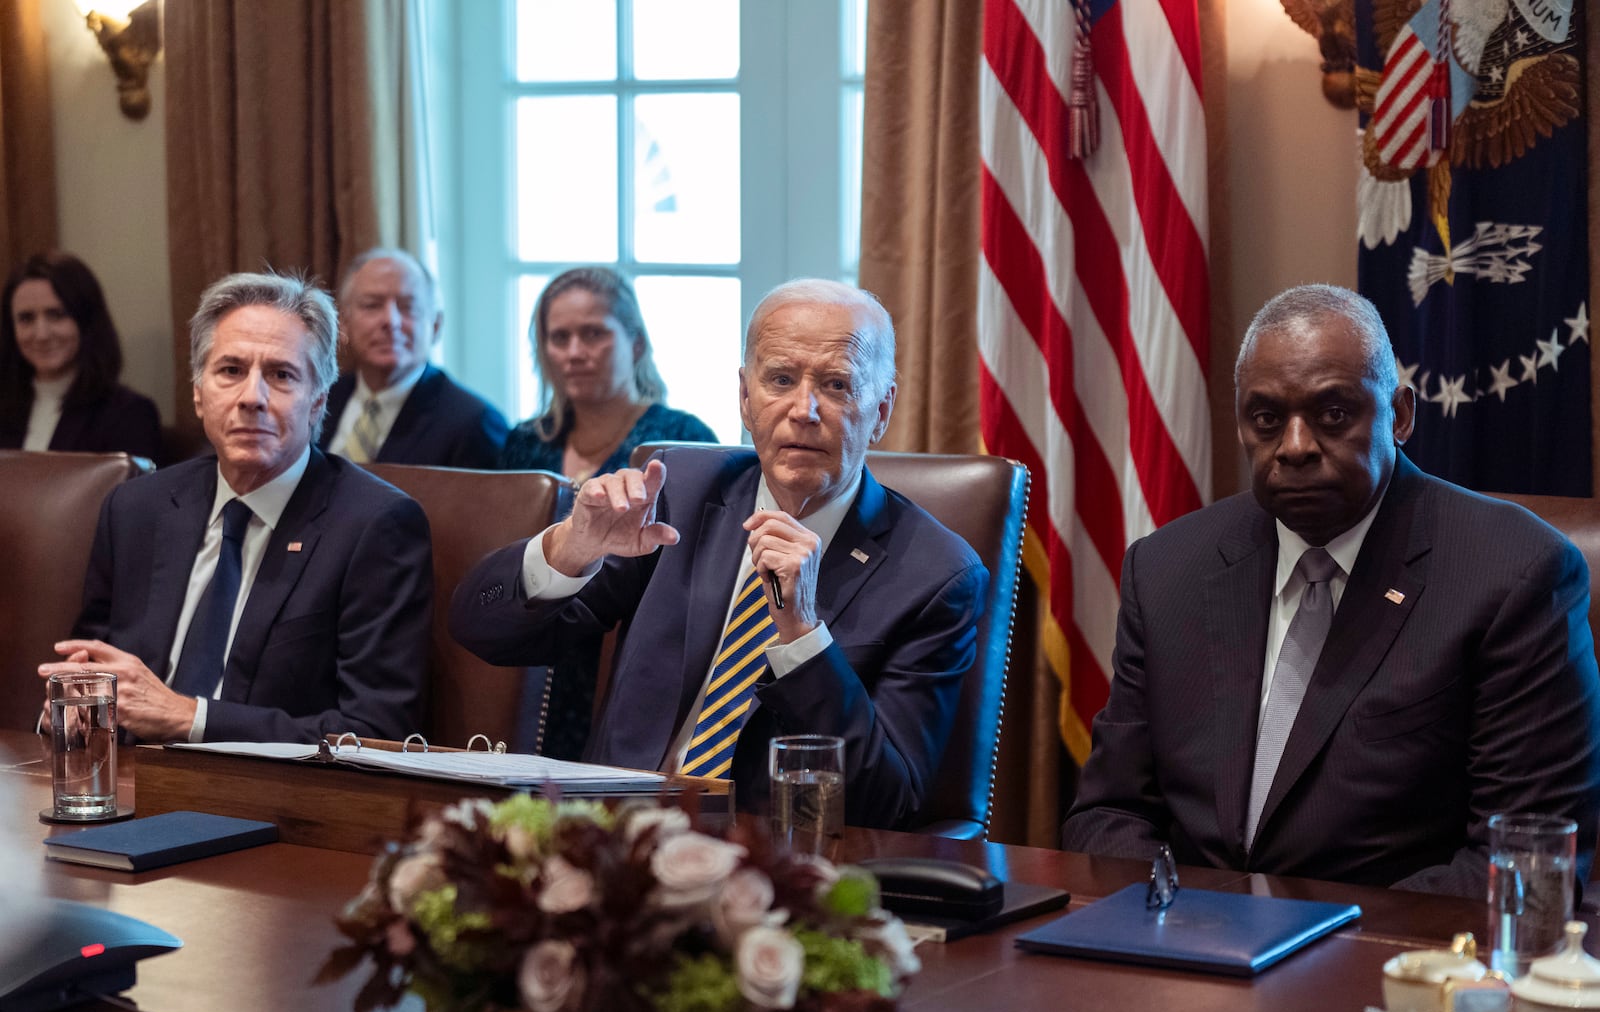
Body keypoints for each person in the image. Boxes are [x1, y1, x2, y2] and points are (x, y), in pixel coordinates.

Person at [1061, 284, 1600, 898]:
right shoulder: (1165, 570)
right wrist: (1177, 922)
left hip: (1388, 967)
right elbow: (1109, 814)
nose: (1294, 447)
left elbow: (1521, 865)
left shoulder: (1513, 574)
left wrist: (1307, 948)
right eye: (1266, 419)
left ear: (1400, 415)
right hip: (1190, 957)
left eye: (1333, 414)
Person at [452, 279, 988, 827]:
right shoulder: (680, 493)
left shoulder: (936, 576)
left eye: (837, 384)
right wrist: (570, 548)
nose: (804, 409)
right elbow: (482, 630)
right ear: (744, 397)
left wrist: (803, 636)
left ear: (881, 410)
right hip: (610, 842)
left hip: (774, 866)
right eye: (780, 379)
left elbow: (885, 799)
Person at [37, 271, 434, 744]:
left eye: (281, 375)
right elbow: (93, 670)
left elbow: (378, 730)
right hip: (129, 789)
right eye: (230, 371)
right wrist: (77, 710)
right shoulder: (136, 508)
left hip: (274, 804)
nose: (252, 398)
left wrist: (191, 718)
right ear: (198, 394)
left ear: (317, 402)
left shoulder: (375, 526)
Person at [499, 266, 717, 759]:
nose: (574, 352)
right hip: (527, 659)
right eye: (559, 338)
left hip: (625, 658)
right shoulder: (523, 442)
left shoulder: (680, 440)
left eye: (593, 334)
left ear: (635, 344)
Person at [320, 248, 509, 468]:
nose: (391, 321)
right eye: (372, 305)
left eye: (408, 307)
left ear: (436, 325)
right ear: (343, 322)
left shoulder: (474, 423)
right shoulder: (320, 399)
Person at [0, 251, 161, 461]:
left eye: (56, 315)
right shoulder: (5, 405)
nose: (41, 334)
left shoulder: (129, 414)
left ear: (87, 322)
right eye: (26, 318)